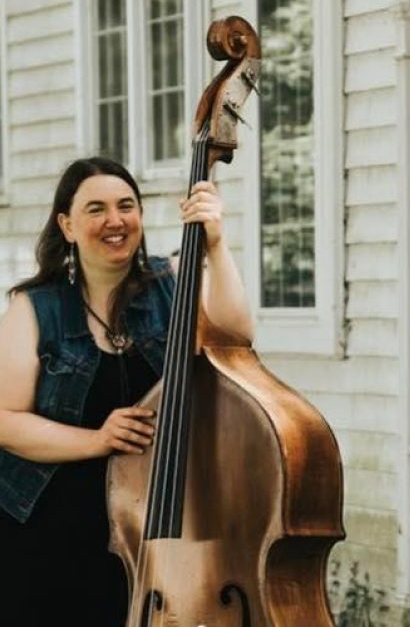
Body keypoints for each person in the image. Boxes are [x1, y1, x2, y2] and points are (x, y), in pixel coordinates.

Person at [0, 157, 254, 626]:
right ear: (67, 225)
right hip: (48, 534)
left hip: (153, 528)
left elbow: (236, 337)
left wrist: (216, 246)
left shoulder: (172, 284)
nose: (114, 221)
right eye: (95, 209)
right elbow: (6, 421)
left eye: (126, 205)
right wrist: (98, 439)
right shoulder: (35, 307)